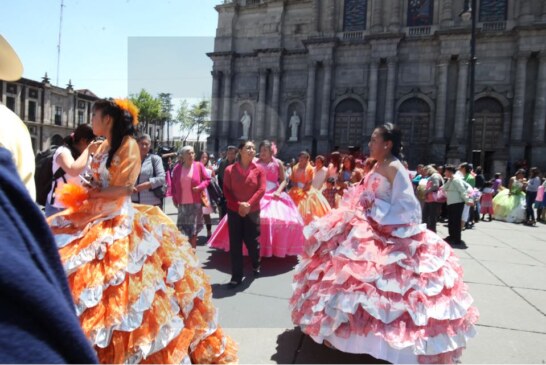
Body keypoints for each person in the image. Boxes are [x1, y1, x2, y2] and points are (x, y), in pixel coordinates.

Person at [48, 99, 237, 363]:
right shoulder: (101, 145)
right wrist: (92, 186)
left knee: (123, 287)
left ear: (108, 119)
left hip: (116, 219)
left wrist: (97, 190)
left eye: (95, 115)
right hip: (90, 214)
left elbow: (124, 189)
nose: (91, 120)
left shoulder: (129, 147)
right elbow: (86, 172)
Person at [290, 124, 478, 364]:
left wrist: (374, 207)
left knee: (383, 289)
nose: (370, 144)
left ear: (387, 144)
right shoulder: (378, 165)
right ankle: (340, 335)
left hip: (388, 233)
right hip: (366, 226)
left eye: (374, 140)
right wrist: (362, 197)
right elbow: (369, 193)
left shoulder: (395, 167)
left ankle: (380, 344)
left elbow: (408, 209)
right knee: (345, 278)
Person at [0, 33, 98, 364]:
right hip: (52, 211)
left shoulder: (9, 123)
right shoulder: (58, 150)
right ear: (81, 140)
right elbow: (72, 169)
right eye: (89, 142)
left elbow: (81, 178)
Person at [209, 140, 305, 258]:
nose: (262, 152)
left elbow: (284, 180)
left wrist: (278, 191)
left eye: (265, 150)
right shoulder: (255, 162)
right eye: (261, 150)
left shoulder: (278, 163)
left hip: (274, 193)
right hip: (258, 193)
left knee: (276, 220)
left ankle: (272, 247)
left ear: (271, 151)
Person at [222, 140, 266, 287]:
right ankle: (236, 276)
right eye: (248, 148)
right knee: (235, 244)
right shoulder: (229, 169)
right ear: (240, 151)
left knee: (253, 243)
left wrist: (248, 204)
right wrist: (238, 205)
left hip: (252, 212)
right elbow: (226, 190)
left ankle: (256, 263)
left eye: (253, 148)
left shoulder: (259, 170)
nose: (251, 150)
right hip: (234, 211)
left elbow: (261, 189)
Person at [44, 124, 95, 217]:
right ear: (84, 140)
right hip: (58, 208)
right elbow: (73, 171)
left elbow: (88, 178)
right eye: (93, 142)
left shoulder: (88, 156)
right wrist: (89, 149)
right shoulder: (62, 152)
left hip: (78, 208)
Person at [171, 146, 210, 249]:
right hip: (182, 205)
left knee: (193, 233)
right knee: (182, 233)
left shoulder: (198, 166)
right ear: (182, 156)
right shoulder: (177, 168)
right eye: (188, 153)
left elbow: (207, 179)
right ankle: (185, 256)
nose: (191, 155)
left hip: (195, 204)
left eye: (192, 153)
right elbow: (174, 185)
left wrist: (200, 187)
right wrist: (174, 198)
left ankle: (192, 255)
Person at [288, 151, 331, 225]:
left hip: (306, 191)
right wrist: (295, 185)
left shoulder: (310, 169)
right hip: (295, 190)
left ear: (307, 159)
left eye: (303, 158)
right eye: (300, 157)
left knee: (306, 210)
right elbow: (292, 180)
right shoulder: (295, 167)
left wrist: (302, 190)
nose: (301, 159)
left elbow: (309, 182)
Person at [131, 134, 166, 208]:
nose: (144, 146)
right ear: (137, 144)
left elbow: (162, 178)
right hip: (132, 202)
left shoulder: (155, 159)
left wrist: (145, 185)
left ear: (150, 146)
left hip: (151, 203)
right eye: (142, 144)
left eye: (146, 144)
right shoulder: (130, 160)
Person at [443, 165, 474, 245]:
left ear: (450, 172)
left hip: (457, 203)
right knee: (451, 221)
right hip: (451, 203)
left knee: (456, 221)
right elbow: (444, 188)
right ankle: (451, 236)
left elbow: (462, 190)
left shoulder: (457, 180)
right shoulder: (451, 180)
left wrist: (467, 200)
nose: (444, 173)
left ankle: (457, 239)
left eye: (446, 171)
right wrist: (448, 181)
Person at [422, 164, 445, 232]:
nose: (424, 173)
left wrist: (426, 191)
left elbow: (436, 186)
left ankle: (431, 232)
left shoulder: (435, 176)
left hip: (433, 200)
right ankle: (430, 231)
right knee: (429, 217)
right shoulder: (435, 175)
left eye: (425, 171)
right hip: (430, 200)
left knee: (431, 217)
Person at [216, 145, 237, 218]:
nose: (230, 155)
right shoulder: (223, 163)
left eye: (232, 153)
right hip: (224, 191)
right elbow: (219, 176)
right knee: (223, 214)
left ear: (235, 154)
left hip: (235, 193)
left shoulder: (238, 164)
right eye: (229, 153)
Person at [199, 151, 214, 238]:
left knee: (206, 214)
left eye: (206, 157)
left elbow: (212, 181)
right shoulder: (195, 166)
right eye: (202, 157)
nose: (204, 159)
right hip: (196, 192)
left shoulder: (209, 168)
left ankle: (209, 231)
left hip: (205, 193)